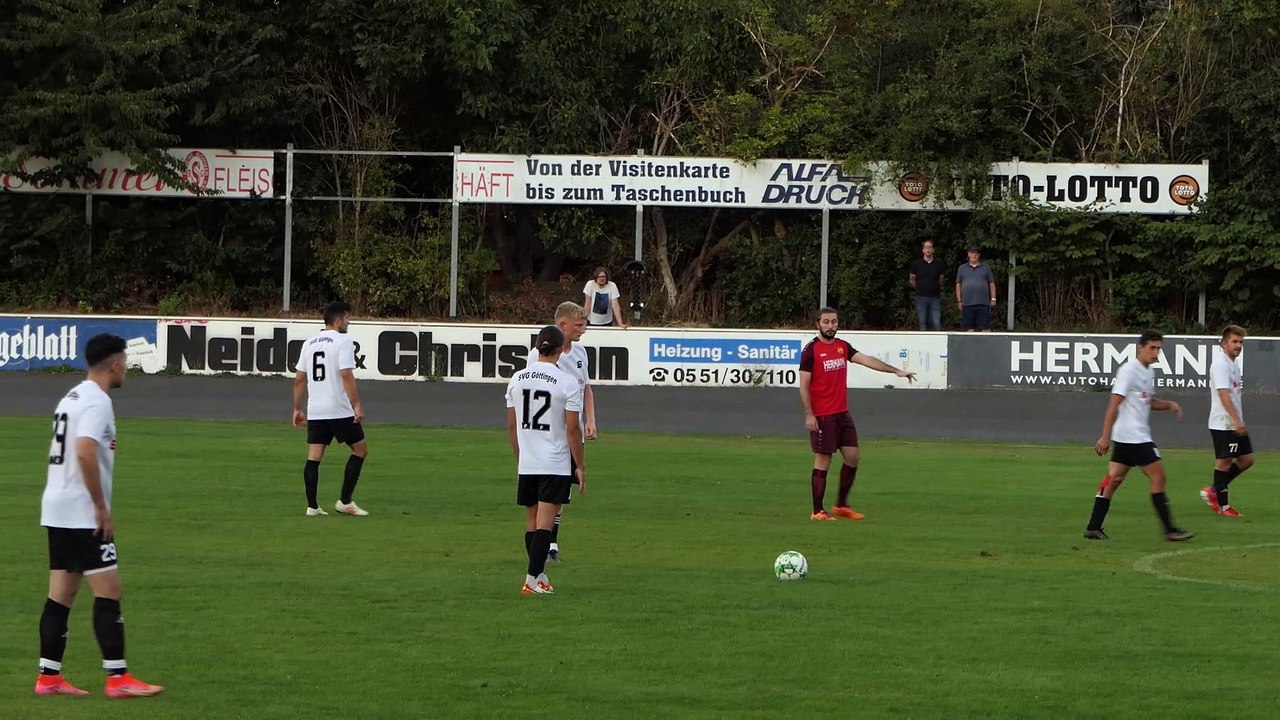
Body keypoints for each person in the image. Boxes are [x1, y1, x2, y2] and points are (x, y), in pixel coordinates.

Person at [36, 333, 164, 698]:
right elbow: (85, 452)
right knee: (109, 591)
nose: (127, 366)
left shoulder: (71, 396)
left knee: (61, 593)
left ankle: (49, 677)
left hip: (56, 507)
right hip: (80, 511)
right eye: (125, 360)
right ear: (114, 364)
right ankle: (118, 678)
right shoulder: (97, 401)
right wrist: (100, 508)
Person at [798, 307, 916, 521]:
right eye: (826, 322)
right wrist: (809, 414)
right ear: (817, 324)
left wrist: (896, 371)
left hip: (842, 413)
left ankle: (841, 506)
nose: (831, 326)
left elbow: (867, 360)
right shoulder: (811, 350)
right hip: (823, 415)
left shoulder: (842, 347)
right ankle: (817, 511)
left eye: (834, 322)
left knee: (852, 457)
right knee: (823, 460)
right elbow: (804, 384)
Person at [1085, 330, 1194, 542]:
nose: (1156, 353)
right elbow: (1113, 405)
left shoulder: (1148, 372)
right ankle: (1170, 529)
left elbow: (1148, 401)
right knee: (1158, 477)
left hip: (1127, 438)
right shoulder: (1129, 371)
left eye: (1159, 348)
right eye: (1152, 348)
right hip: (1135, 437)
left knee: (1113, 479)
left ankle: (1093, 527)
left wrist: (1169, 404)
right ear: (1140, 347)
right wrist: (1104, 436)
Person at [507, 325, 586, 595]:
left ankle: (539, 575)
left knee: (531, 522)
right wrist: (580, 465)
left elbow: (511, 427)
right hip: (554, 461)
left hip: (528, 460)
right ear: (559, 350)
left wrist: (520, 459)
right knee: (545, 524)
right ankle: (530, 580)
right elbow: (573, 429)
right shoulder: (565, 382)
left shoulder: (517, 379)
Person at [525, 302, 596, 563]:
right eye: (579, 325)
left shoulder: (580, 353)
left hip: (573, 429)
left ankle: (552, 539)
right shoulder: (538, 356)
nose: (583, 330)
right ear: (562, 325)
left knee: (563, 488)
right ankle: (547, 541)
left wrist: (591, 419)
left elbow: (586, 387)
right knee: (549, 489)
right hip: (550, 432)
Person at [292, 301, 369, 517]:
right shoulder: (343, 341)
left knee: (314, 456)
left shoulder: (309, 343)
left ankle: (312, 506)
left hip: (316, 409)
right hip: (339, 409)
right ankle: (344, 502)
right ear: (337, 320)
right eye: (346, 318)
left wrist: (297, 408)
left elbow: (299, 380)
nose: (348, 321)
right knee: (360, 450)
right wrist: (356, 404)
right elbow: (346, 374)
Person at [1201, 325, 1254, 517]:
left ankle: (1213, 490)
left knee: (1247, 460)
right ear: (1224, 343)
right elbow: (1223, 395)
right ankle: (1223, 506)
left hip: (1233, 421)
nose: (1238, 345)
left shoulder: (1233, 364)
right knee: (1223, 463)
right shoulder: (1220, 364)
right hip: (1223, 422)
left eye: (1241, 342)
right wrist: (1236, 419)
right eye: (1234, 341)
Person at [955, 245, 997, 332]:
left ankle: (986, 345)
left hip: (983, 303)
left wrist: (993, 298)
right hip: (967, 303)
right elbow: (958, 284)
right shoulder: (962, 268)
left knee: (986, 328)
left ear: (979, 255)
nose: (974, 255)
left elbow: (991, 283)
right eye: (972, 253)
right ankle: (970, 345)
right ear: (968, 254)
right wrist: (959, 300)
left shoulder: (986, 268)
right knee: (969, 329)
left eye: (976, 253)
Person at [909, 239, 945, 330]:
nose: (928, 249)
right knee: (922, 323)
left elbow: (941, 280)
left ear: (933, 250)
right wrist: (919, 288)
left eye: (930, 247)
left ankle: (937, 342)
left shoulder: (939, 264)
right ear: (923, 250)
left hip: (935, 297)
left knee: (936, 323)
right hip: (921, 297)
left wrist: (935, 288)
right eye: (926, 247)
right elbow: (912, 279)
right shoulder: (917, 264)